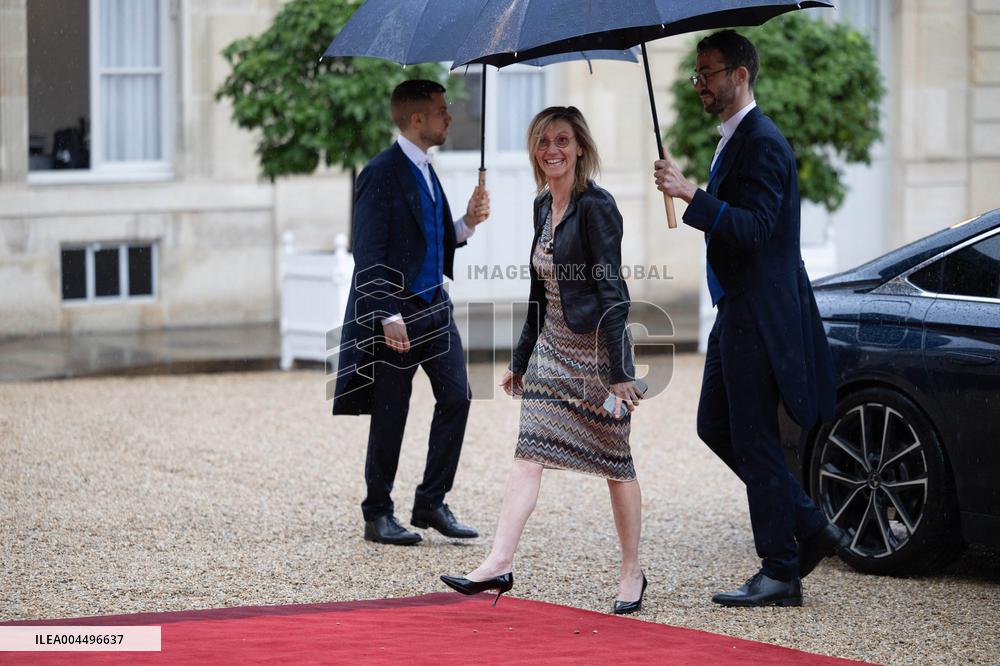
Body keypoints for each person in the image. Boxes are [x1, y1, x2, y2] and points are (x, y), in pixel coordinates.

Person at [654, 30, 848, 607]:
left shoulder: (762, 141)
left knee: (755, 438)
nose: (699, 85)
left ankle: (780, 569)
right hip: (737, 307)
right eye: (697, 73)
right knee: (715, 424)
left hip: (759, 315)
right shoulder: (736, 139)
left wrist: (692, 194)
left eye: (708, 73)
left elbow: (756, 228)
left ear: (741, 75)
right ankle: (811, 526)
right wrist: (697, 193)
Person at [440, 106, 647, 614]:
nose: (552, 150)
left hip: (597, 352)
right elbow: (539, 292)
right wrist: (521, 358)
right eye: (542, 142)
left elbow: (612, 290)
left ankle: (631, 571)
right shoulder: (540, 205)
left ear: (580, 148)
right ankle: (498, 561)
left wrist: (619, 373)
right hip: (553, 348)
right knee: (528, 452)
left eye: (562, 140)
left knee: (615, 465)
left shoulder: (598, 206)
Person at [331, 79, 490, 546]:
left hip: (435, 307)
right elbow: (369, 250)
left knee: (458, 397)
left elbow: (433, 239)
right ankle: (377, 513)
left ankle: (430, 502)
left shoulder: (426, 167)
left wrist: (467, 223)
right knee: (391, 413)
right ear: (416, 119)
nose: (450, 117)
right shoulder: (380, 172)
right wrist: (386, 313)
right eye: (442, 111)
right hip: (396, 315)